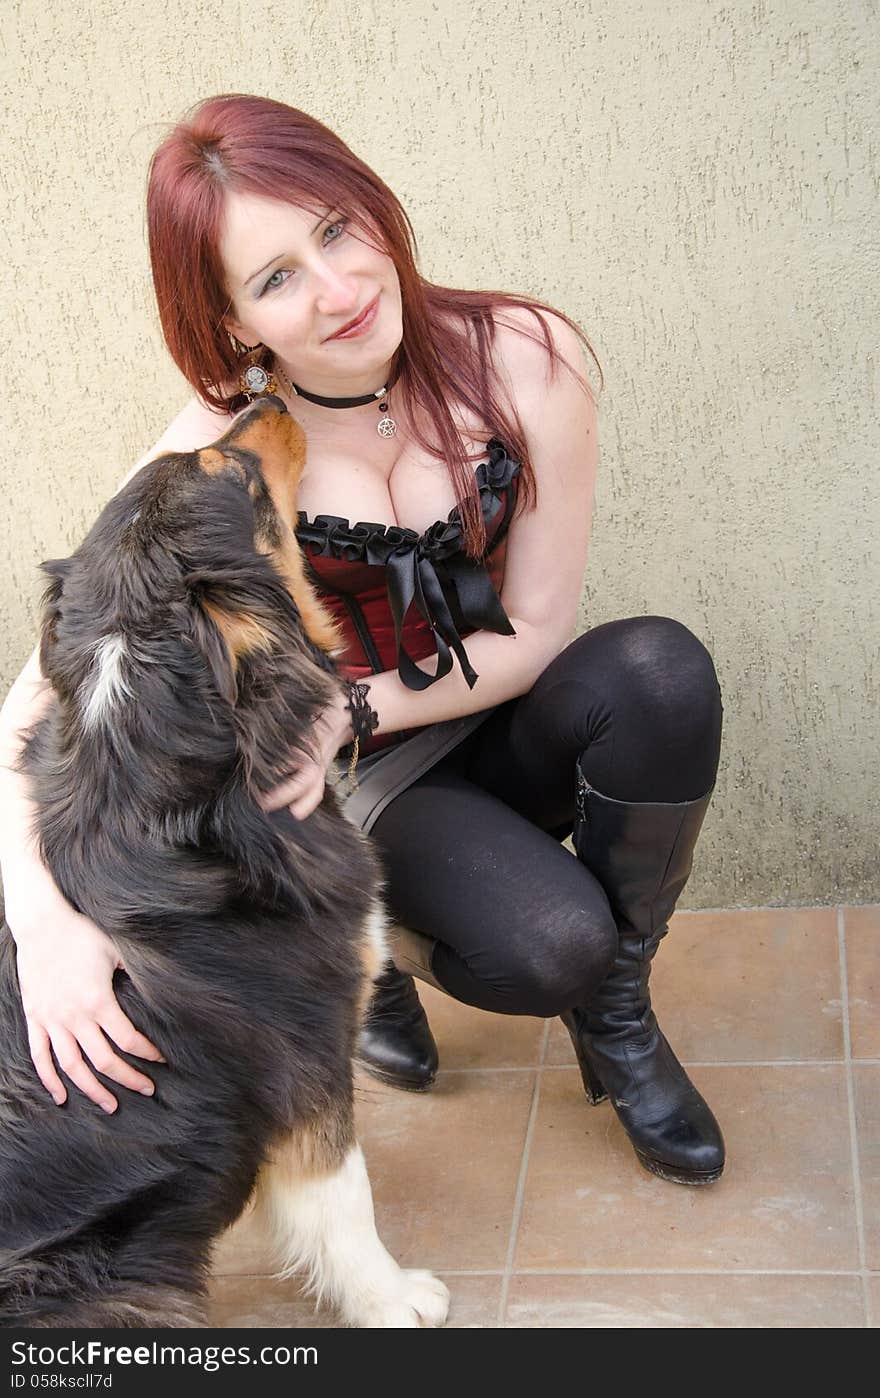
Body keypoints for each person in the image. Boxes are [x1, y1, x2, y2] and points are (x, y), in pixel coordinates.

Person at [0, 94, 725, 1186]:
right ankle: (380, 954)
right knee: (548, 944)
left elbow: (533, 629)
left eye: (336, 229)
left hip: (490, 709)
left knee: (662, 671)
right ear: (235, 320)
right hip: (363, 781)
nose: (339, 290)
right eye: (277, 276)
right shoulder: (214, 463)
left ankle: (617, 1012)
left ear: (373, 207)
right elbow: (22, 723)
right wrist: (49, 933)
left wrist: (353, 700)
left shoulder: (527, 357)